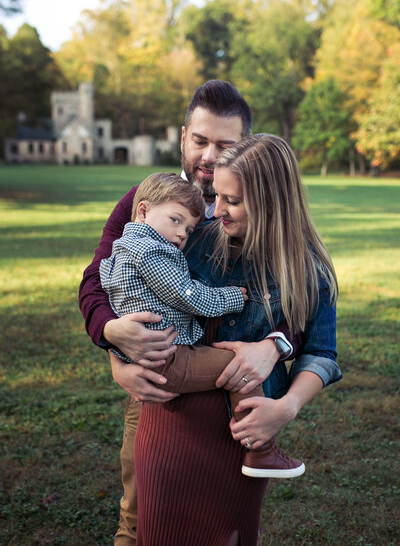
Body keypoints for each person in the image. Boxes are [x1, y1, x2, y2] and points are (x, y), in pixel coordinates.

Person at [79, 80, 301, 545]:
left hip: (234, 394)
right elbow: (99, 277)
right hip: (158, 392)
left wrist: (273, 345)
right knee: (140, 523)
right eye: (200, 140)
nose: (208, 154)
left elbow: (298, 301)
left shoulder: (258, 211)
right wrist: (114, 341)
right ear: (183, 138)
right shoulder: (149, 200)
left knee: (226, 527)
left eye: (225, 144)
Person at [133, 134, 341, 545]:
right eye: (217, 196)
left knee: (229, 537)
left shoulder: (310, 272)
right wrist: (116, 348)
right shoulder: (192, 241)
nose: (216, 209)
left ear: (270, 205)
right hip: (172, 425)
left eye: (231, 200)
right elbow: (122, 281)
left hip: (244, 439)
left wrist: (286, 407)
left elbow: (321, 353)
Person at [100, 171, 304, 478]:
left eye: (190, 228)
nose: (183, 234)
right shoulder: (151, 251)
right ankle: (259, 450)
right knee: (241, 366)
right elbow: (192, 297)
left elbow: (106, 284)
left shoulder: (122, 249)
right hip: (170, 358)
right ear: (143, 210)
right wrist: (234, 297)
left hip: (150, 358)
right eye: (176, 220)